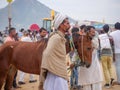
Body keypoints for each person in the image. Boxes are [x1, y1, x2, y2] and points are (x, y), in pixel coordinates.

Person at [39, 13, 70, 90]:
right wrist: (54, 65)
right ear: (60, 25)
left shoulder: (61, 37)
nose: (69, 25)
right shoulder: (56, 38)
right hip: (56, 73)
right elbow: (47, 54)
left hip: (58, 71)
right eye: (67, 23)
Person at [78, 26, 103, 90]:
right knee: (86, 83)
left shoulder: (94, 39)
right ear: (87, 32)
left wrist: (89, 38)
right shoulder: (82, 40)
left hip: (94, 65)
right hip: (85, 65)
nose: (94, 33)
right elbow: (78, 51)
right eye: (92, 32)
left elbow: (96, 45)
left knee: (96, 82)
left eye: (94, 32)